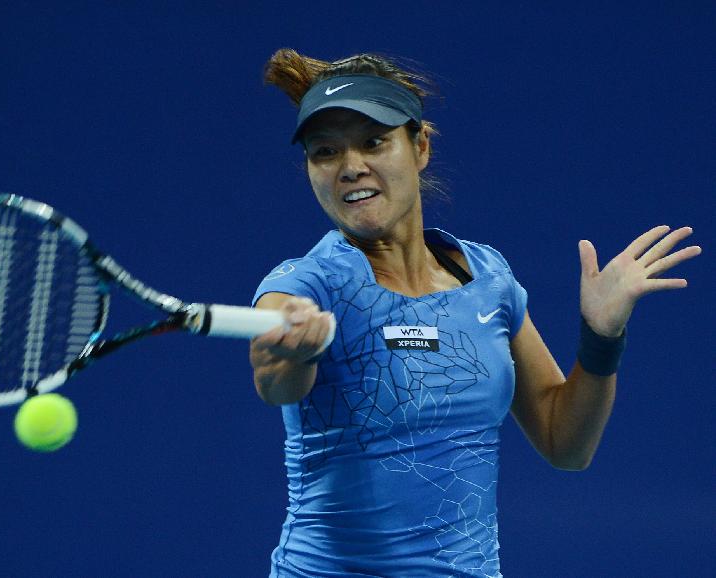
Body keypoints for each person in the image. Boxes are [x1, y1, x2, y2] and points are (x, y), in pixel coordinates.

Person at [248, 49, 701, 577]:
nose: (350, 167)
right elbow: (275, 380)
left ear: (419, 147)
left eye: (374, 142)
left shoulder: (488, 279)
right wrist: (292, 351)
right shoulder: (305, 284)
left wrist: (601, 337)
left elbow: (565, 442)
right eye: (325, 152)